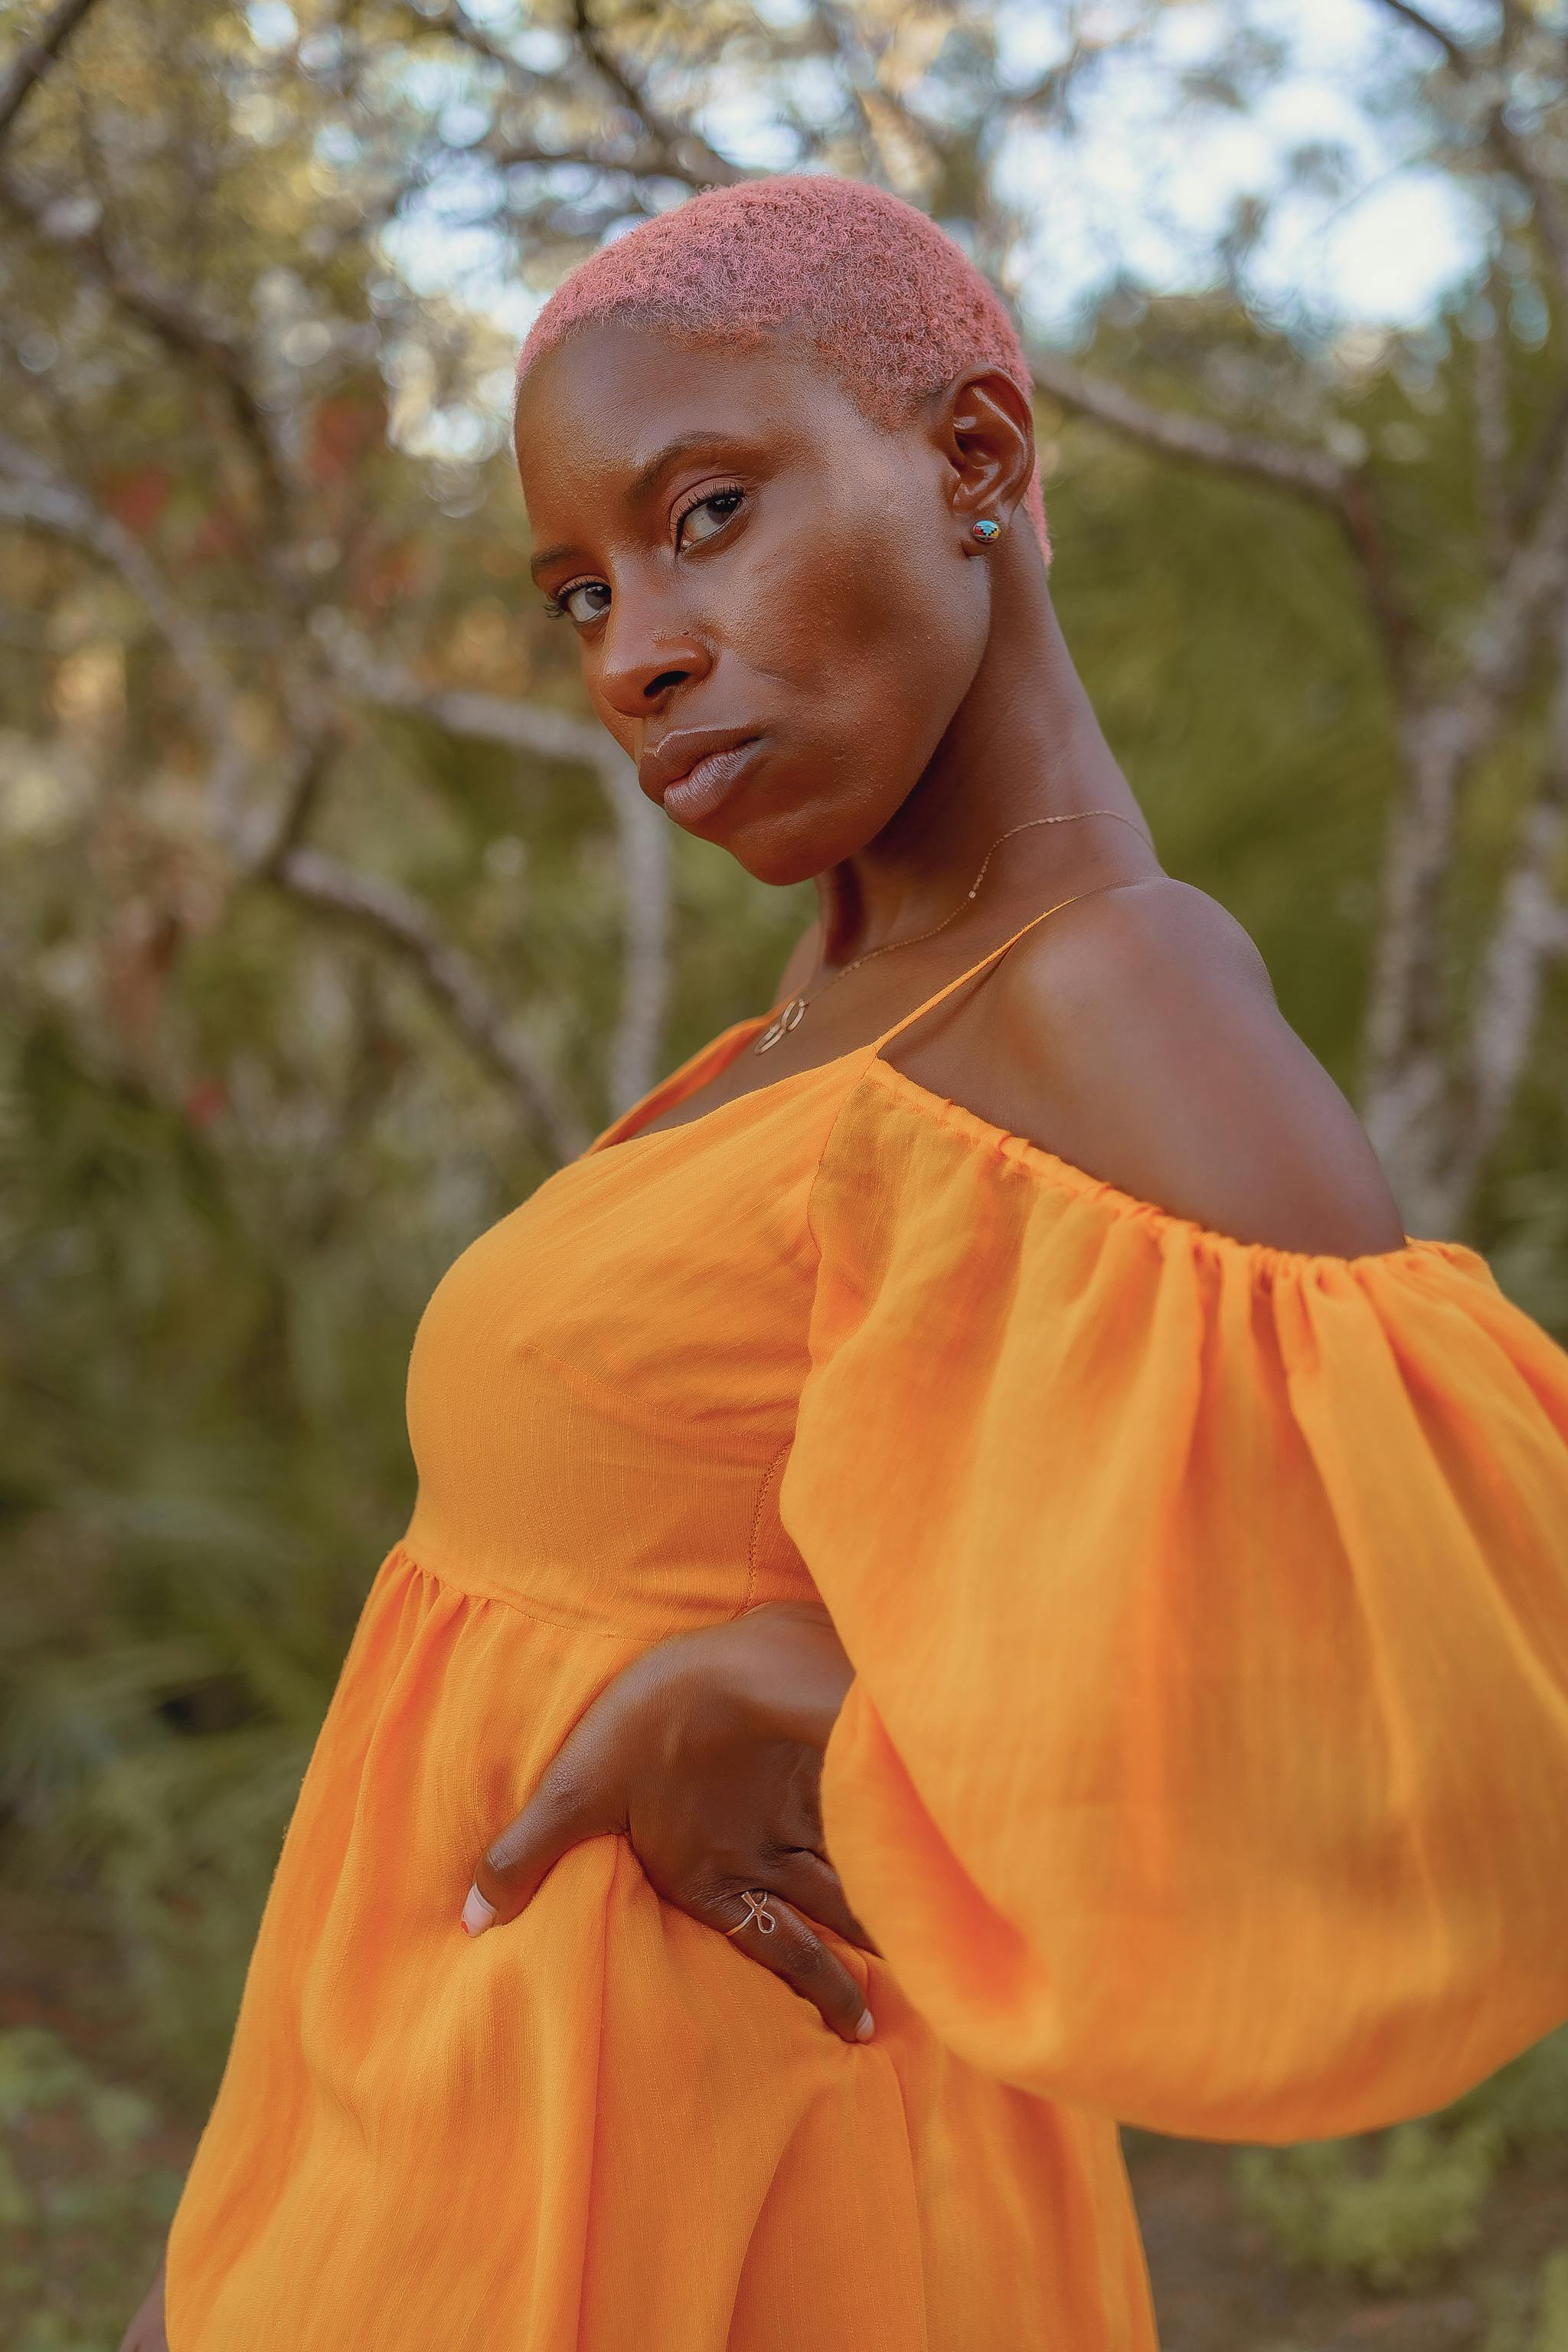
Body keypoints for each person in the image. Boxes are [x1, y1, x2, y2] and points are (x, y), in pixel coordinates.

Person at [124, 175, 1568, 2352]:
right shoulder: (795, 1041)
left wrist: (822, 1713)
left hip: (727, 2200)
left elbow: (1461, 1668)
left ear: (973, 461)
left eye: (707, 514)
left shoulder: (1108, 989)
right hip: (439, 2155)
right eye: (577, 595)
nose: (633, 654)